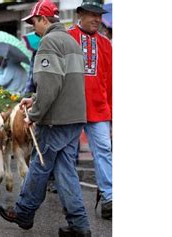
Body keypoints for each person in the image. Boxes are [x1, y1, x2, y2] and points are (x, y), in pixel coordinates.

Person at [0, 1, 91, 236]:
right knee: (65, 171)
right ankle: (79, 225)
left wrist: (34, 113)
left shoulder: (49, 42)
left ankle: (24, 212)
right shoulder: (72, 41)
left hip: (55, 119)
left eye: (33, 22)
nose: (33, 28)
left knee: (39, 166)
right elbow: (64, 83)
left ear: (44, 19)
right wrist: (36, 99)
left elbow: (50, 85)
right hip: (74, 117)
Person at [68, 0, 113, 220]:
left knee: (104, 151)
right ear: (81, 14)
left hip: (100, 109)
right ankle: (70, 203)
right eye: (93, 14)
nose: (97, 19)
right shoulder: (67, 38)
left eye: (99, 15)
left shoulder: (106, 44)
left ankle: (109, 198)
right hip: (70, 109)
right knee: (65, 155)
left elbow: (111, 80)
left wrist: (113, 113)